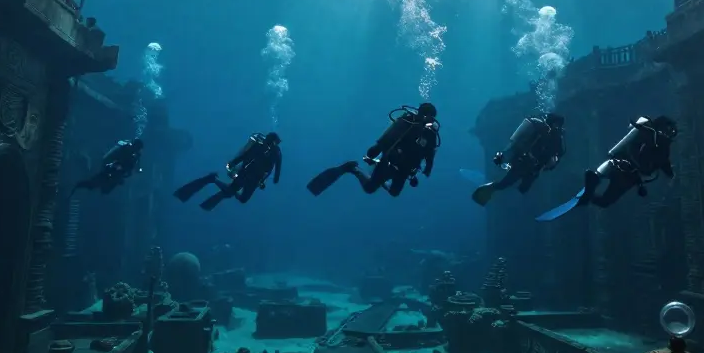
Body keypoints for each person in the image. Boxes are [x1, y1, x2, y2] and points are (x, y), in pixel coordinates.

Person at [535, 116, 677, 222]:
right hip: (629, 176)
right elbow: (662, 166)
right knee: (605, 202)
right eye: (670, 131)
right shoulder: (656, 143)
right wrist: (671, 177)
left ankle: (592, 184)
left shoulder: (653, 140)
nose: (671, 134)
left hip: (617, 166)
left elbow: (663, 165)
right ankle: (591, 189)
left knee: (604, 200)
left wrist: (671, 176)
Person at [306, 103, 440, 197]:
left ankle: (376, 172)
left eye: (430, 116)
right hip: (390, 160)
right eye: (427, 114)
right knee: (370, 188)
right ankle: (352, 168)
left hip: (405, 169)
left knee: (394, 193)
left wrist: (428, 168)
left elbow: (430, 154)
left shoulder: (431, 134)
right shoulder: (409, 121)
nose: (428, 118)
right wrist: (377, 149)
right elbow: (391, 135)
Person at [471, 113, 566, 206]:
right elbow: (516, 142)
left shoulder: (553, 135)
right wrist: (504, 155)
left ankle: (490, 191)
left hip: (531, 167)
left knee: (519, 188)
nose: (559, 128)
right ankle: (487, 191)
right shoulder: (541, 128)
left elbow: (557, 154)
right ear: (554, 123)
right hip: (523, 163)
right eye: (558, 125)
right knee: (507, 184)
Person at [174, 132, 282, 211]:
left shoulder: (273, 152)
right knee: (235, 193)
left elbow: (245, 155)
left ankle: (216, 181)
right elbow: (245, 155)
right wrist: (233, 163)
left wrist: (234, 163)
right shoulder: (266, 148)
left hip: (253, 177)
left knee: (240, 197)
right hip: (247, 173)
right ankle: (215, 180)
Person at [72, 138, 143, 195]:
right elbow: (108, 158)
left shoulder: (136, 155)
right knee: (94, 184)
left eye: (137, 149)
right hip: (111, 170)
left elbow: (135, 166)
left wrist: (139, 170)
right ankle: (81, 185)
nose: (135, 150)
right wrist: (110, 166)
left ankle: (85, 185)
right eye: (136, 147)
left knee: (102, 188)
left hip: (117, 173)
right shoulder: (123, 149)